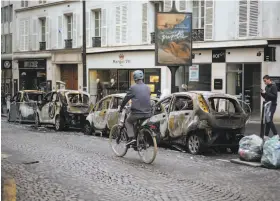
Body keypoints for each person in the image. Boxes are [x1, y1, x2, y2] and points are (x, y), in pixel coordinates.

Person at [119, 70, 151, 144]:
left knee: (128, 122)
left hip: (137, 112)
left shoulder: (133, 88)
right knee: (138, 124)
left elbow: (126, 98)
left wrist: (121, 107)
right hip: (148, 113)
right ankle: (139, 139)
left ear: (134, 78)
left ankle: (131, 138)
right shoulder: (147, 87)